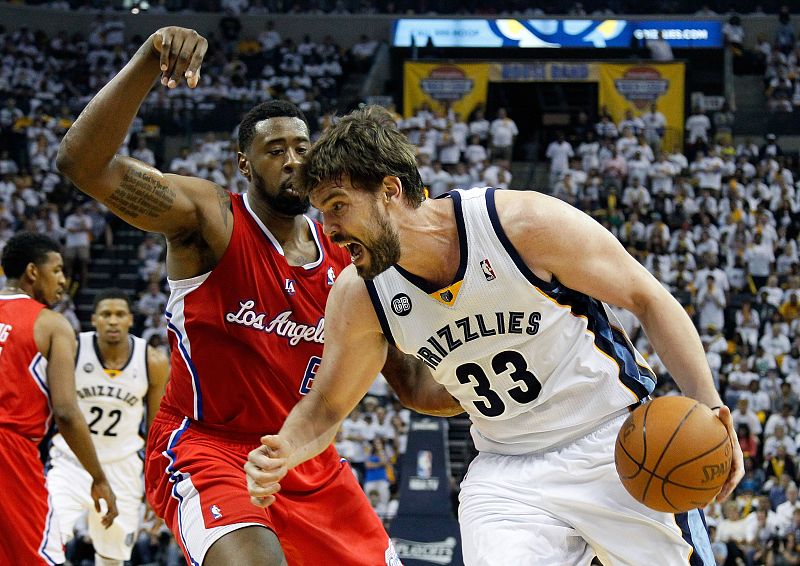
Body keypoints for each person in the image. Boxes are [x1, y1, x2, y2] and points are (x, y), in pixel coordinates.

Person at [245, 106, 745, 565]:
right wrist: (285, 448)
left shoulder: (520, 224)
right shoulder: (359, 296)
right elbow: (329, 404)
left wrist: (710, 405)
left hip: (612, 439)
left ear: (390, 191)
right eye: (321, 212)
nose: (328, 228)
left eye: (337, 206)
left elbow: (648, 297)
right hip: (507, 472)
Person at [57, 27, 460, 566]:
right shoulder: (212, 219)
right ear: (244, 164)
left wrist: (489, 385)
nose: (293, 160)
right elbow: (82, 165)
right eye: (274, 150)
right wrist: (150, 61)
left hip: (308, 461)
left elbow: (411, 381)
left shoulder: (349, 257)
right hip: (208, 448)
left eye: (301, 147)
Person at [0, 232, 117, 565]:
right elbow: (66, 411)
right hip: (10, 451)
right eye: (58, 270)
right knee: (42, 556)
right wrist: (98, 476)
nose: (64, 280)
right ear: (33, 272)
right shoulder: (52, 324)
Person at [46, 288, 169, 565]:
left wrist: (155, 484)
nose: (112, 320)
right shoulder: (74, 350)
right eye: (106, 314)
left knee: (113, 557)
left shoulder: (153, 361)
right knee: (49, 541)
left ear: (130, 320)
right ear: (94, 320)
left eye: (119, 315)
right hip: (70, 463)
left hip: (122, 467)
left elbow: (156, 430)